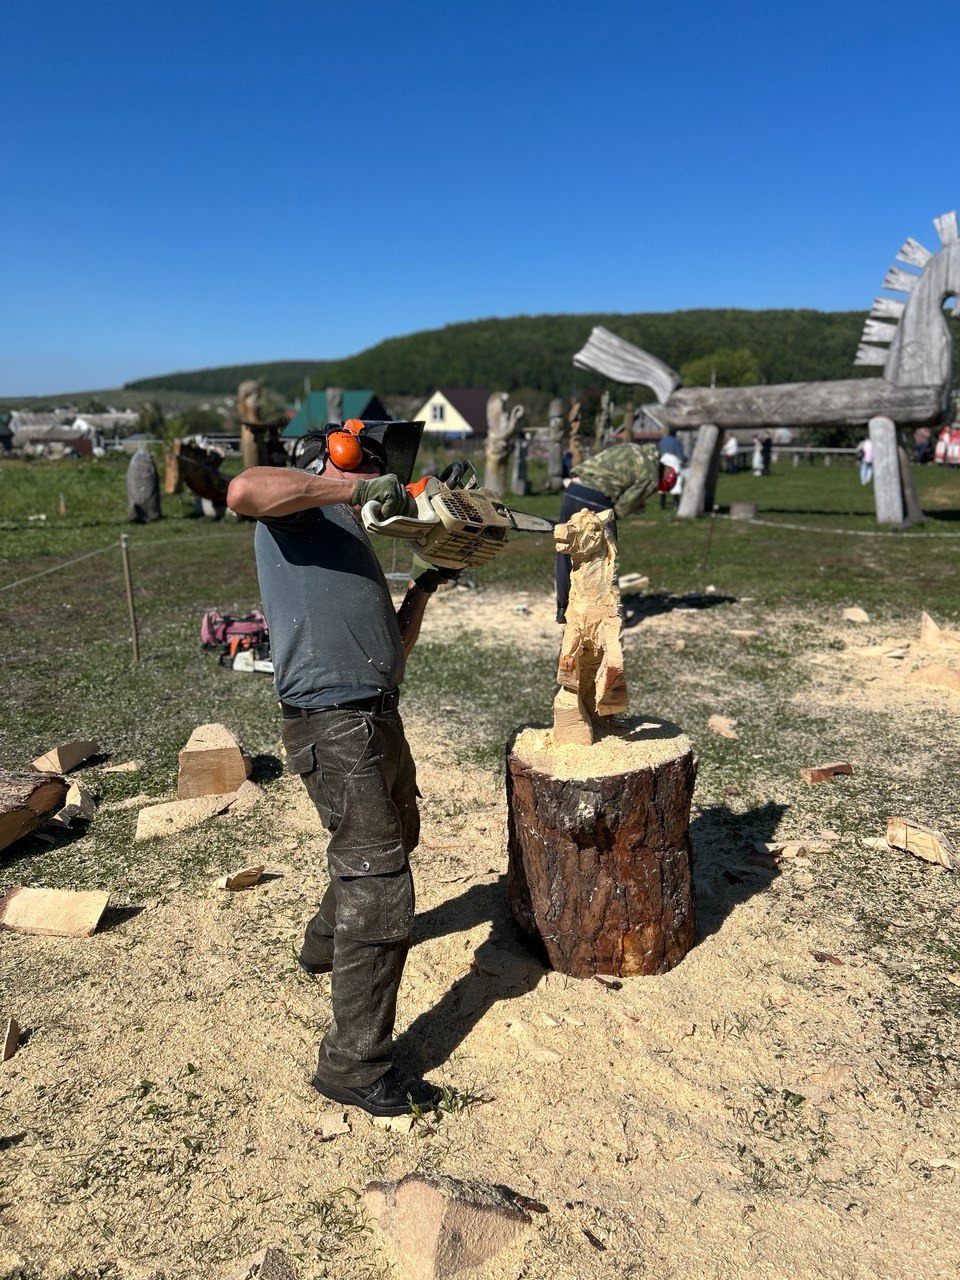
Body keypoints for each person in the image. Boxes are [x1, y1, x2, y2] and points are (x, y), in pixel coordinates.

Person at [227, 419, 453, 1119]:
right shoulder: (300, 509)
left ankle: (324, 944)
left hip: (377, 714)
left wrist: (423, 589)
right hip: (335, 723)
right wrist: (349, 490)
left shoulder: (350, 531)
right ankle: (352, 1066)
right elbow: (242, 490)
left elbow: (390, 646)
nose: (382, 483)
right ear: (343, 455)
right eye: (373, 469)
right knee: (379, 883)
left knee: (394, 838)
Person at [555, 441, 674, 622]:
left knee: (566, 551)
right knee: (605, 558)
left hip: (572, 489)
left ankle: (562, 608)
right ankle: (610, 614)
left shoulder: (633, 447)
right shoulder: (651, 475)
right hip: (597, 498)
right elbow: (623, 507)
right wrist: (635, 508)